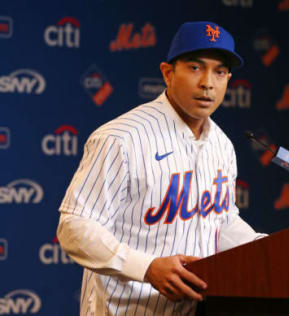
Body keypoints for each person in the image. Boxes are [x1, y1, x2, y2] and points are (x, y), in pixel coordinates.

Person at [57, 21, 266, 316]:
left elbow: (221, 223)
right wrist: (146, 267)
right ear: (168, 73)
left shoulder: (222, 144)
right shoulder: (121, 138)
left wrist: (269, 250)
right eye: (195, 67)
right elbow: (74, 227)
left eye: (219, 71)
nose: (208, 82)